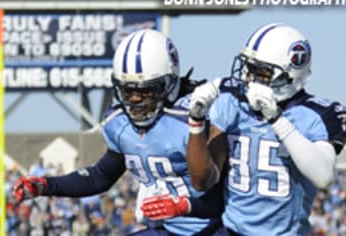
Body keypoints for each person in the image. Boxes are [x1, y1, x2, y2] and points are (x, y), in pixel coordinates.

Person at [12, 29, 223, 236]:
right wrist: (48, 185)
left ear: (169, 83)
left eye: (144, 90)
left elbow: (226, 195)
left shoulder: (198, 117)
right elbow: (100, 176)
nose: (134, 100)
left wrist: (185, 206)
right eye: (128, 91)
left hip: (215, 227)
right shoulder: (119, 123)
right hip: (168, 228)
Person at [184, 23, 346, 235]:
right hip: (231, 230)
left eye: (260, 73)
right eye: (248, 69)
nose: (248, 79)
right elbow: (205, 180)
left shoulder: (319, 114)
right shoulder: (231, 101)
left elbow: (323, 176)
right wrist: (196, 120)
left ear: (290, 75)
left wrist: (276, 120)